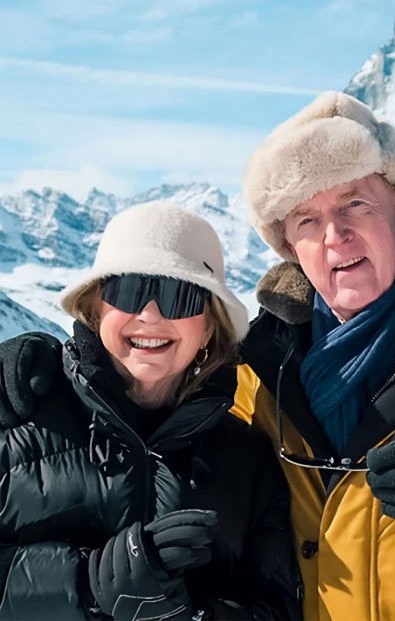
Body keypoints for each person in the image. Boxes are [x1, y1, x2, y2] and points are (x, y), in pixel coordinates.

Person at [232, 91, 395, 620]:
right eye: (307, 220)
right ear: (290, 248)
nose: (335, 235)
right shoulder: (260, 370)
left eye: (354, 203)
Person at [0, 201, 302, 620]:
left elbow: (278, 608)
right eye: (127, 291)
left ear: (209, 327)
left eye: (181, 296)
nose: (150, 315)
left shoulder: (248, 460)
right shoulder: (17, 419)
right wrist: (87, 584)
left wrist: (188, 615)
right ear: (95, 309)